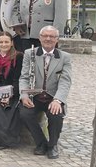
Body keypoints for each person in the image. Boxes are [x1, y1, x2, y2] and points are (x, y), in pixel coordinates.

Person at [19, 26, 72, 159]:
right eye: (45, 36)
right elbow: (24, 77)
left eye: (52, 36)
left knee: (56, 115)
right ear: (40, 38)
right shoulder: (29, 53)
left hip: (52, 96)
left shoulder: (65, 57)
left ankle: (53, 145)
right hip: (34, 95)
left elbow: (65, 81)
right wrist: (24, 95)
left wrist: (58, 100)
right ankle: (41, 143)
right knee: (24, 113)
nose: (48, 39)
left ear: (57, 39)